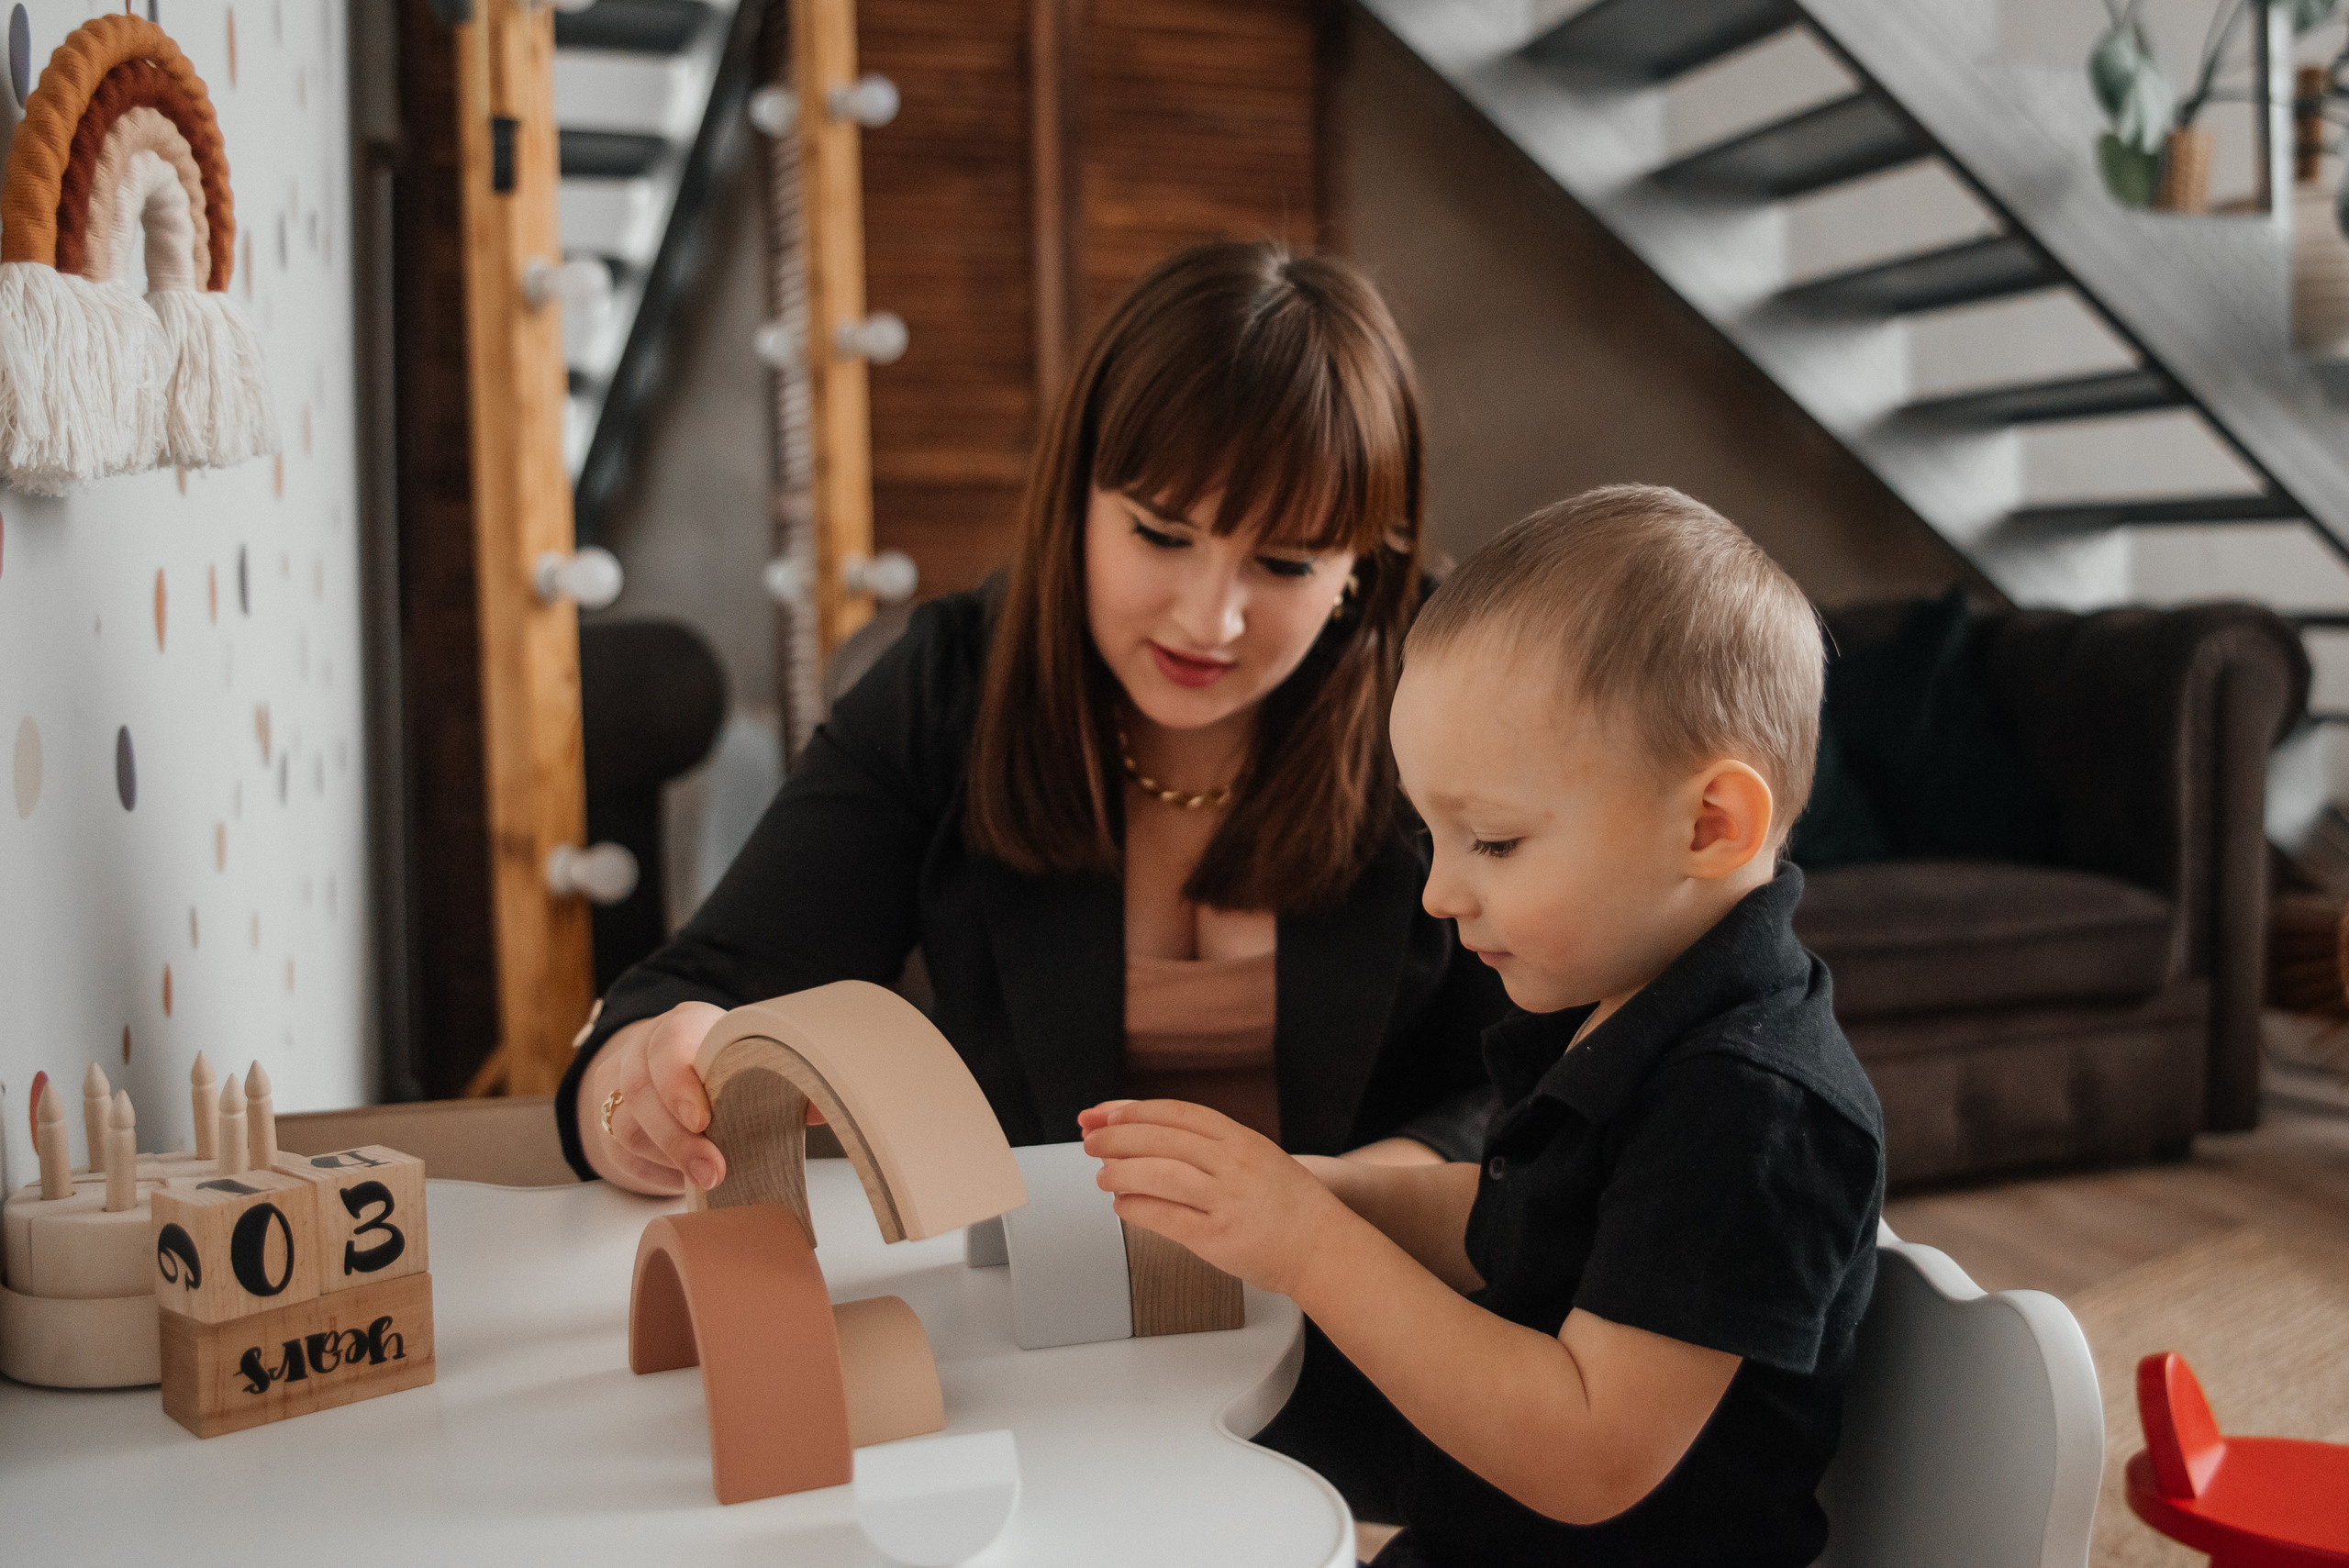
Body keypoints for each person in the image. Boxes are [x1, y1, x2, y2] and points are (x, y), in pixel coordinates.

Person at [559, 240, 1509, 1193]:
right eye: (1160, 534)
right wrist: (634, 1091)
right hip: (1043, 1315)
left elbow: (1556, 1065)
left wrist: (1341, 1209)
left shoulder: (1454, 688)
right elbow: (709, 982)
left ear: (1360, 570)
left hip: (1383, 1297)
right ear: (1078, 499)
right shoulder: (954, 684)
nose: (1208, 618)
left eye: (1288, 563)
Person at [1083, 485, 1887, 1568]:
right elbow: (1519, 1214)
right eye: (1433, 836)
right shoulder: (1622, 998)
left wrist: (1312, 1247)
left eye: (1494, 842)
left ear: (1708, 824)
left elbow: (1588, 1451)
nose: (1439, 894)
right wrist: (1318, 1187)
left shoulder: (1751, 1103)